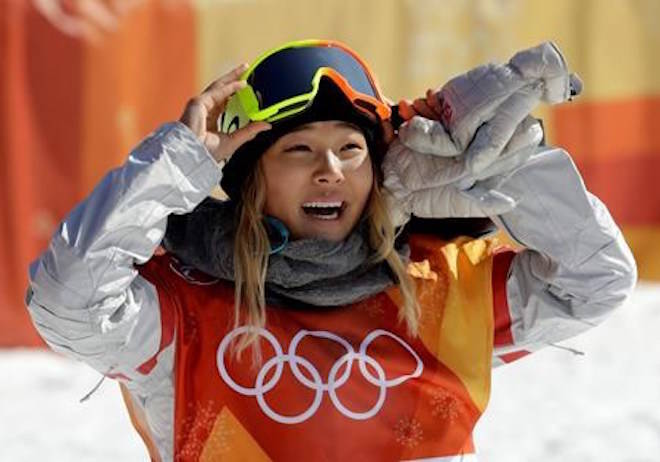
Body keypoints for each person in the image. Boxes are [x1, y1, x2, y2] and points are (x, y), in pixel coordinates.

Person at [26, 40, 636, 461]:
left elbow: (596, 280)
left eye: (351, 149)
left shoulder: (440, 288)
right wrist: (176, 164)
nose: (329, 171)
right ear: (249, 177)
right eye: (297, 151)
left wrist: (503, 173)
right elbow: (68, 301)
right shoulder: (183, 311)